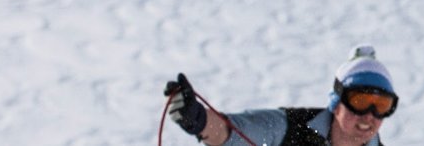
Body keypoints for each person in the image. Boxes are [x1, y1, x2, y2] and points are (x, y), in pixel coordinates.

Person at [163, 45, 397, 146]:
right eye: (360, 102)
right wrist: (199, 120)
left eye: (382, 105)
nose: (370, 116)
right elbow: (232, 133)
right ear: (337, 103)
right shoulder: (290, 128)